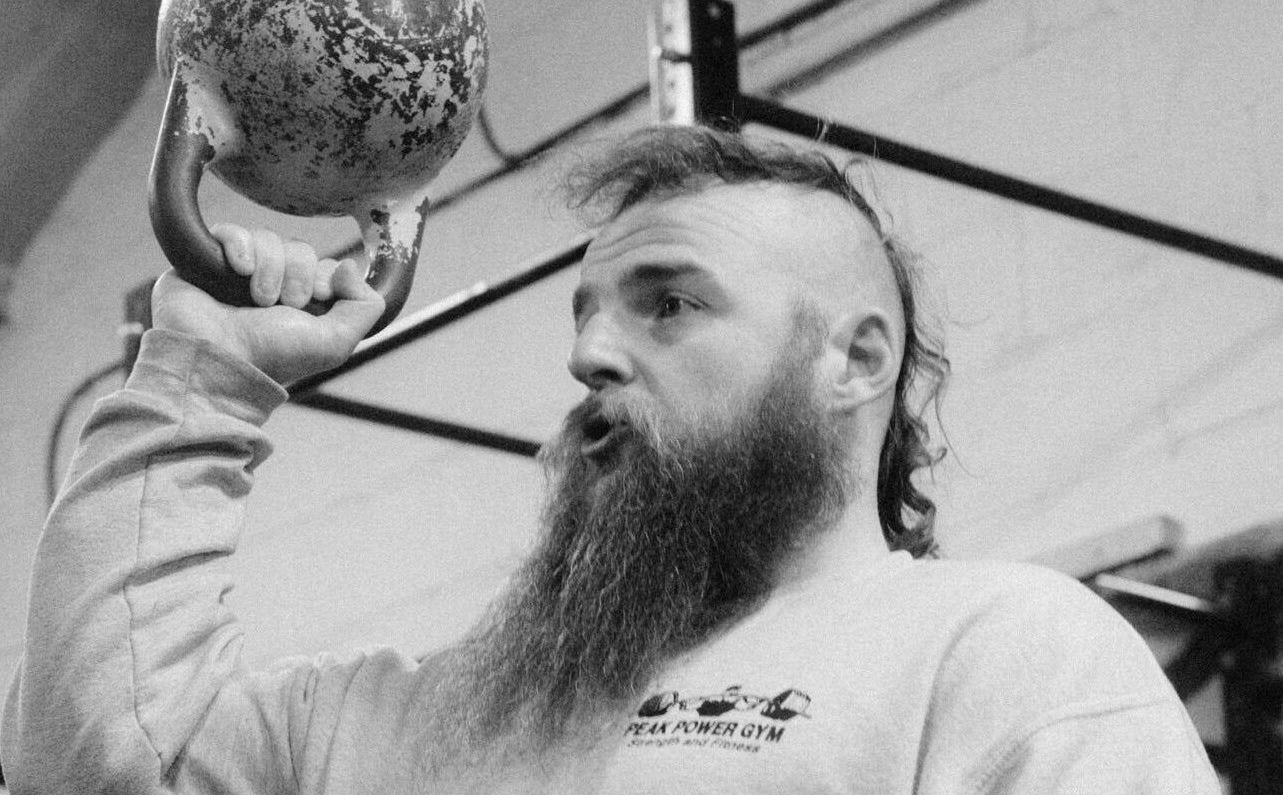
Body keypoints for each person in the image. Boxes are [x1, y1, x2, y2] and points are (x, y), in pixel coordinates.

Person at [2, 125, 1218, 793]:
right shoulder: (413, 718)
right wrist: (204, 372)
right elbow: (93, 768)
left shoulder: (999, 651)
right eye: (584, 314)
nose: (588, 354)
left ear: (853, 360)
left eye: (668, 305)